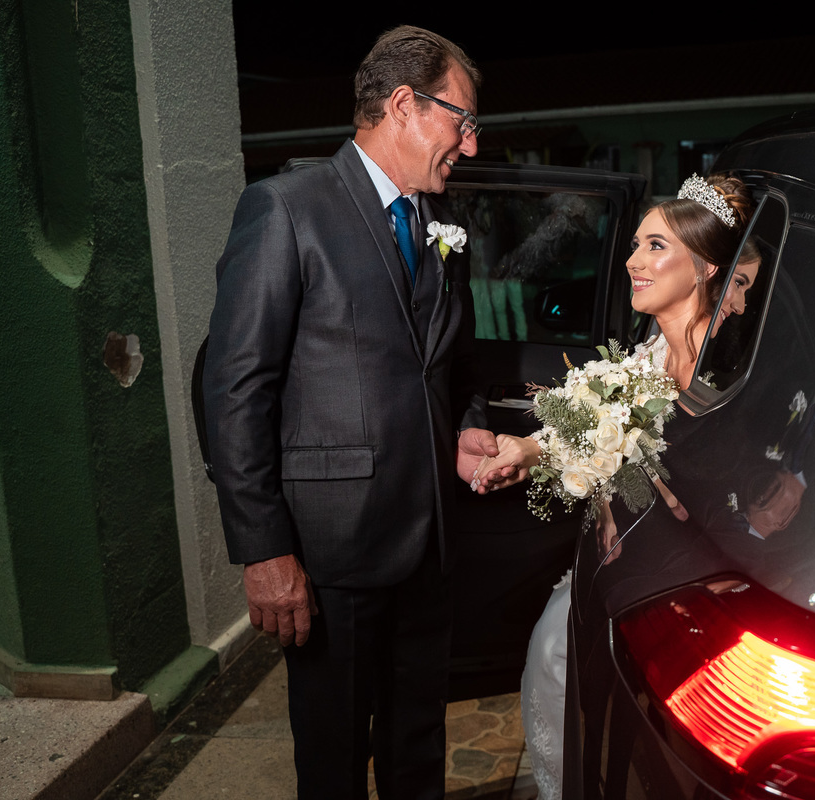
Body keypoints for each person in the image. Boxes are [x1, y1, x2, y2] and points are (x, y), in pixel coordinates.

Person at [203, 26, 511, 800]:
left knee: (418, 751)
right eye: (462, 121)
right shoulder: (285, 208)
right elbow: (236, 388)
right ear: (405, 105)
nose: (469, 146)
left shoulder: (445, 231)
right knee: (333, 760)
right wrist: (263, 548)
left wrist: (468, 421)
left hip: (429, 545)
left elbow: (451, 364)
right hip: (327, 554)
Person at [476, 174, 756, 800]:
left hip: (676, 575)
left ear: (707, 267)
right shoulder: (651, 350)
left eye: (655, 247)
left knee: (562, 655)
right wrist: (526, 447)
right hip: (618, 558)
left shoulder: (729, 367)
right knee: (554, 651)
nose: (633, 262)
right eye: (635, 244)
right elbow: (603, 421)